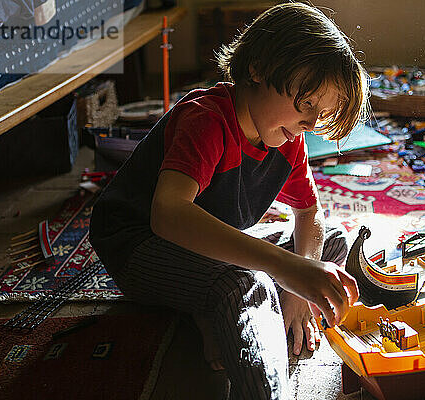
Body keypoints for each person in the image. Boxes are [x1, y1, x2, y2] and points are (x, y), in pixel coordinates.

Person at [89, 2, 369, 399]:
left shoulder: (287, 137)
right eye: (305, 104)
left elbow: (310, 213)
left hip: (203, 251)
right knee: (245, 282)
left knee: (331, 244)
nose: (308, 124)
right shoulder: (206, 119)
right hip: (139, 246)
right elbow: (168, 215)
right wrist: (284, 267)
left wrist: (296, 289)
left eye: (317, 115)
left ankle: (208, 314)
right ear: (257, 68)